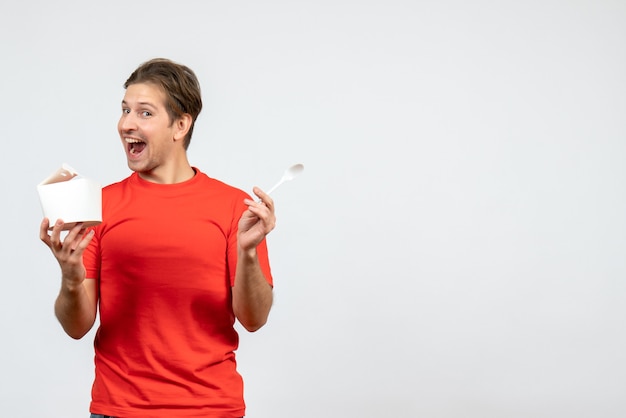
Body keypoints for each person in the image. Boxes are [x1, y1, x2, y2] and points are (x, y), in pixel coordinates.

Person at [39, 58, 275, 418]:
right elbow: (76, 327)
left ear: (180, 125)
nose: (125, 124)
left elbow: (254, 318)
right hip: (118, 410)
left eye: (144, 113)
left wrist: (248, 254)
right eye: (124, 110)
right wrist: (71, 278)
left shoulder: (233, 208)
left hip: (211, 409)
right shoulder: (99, 206)